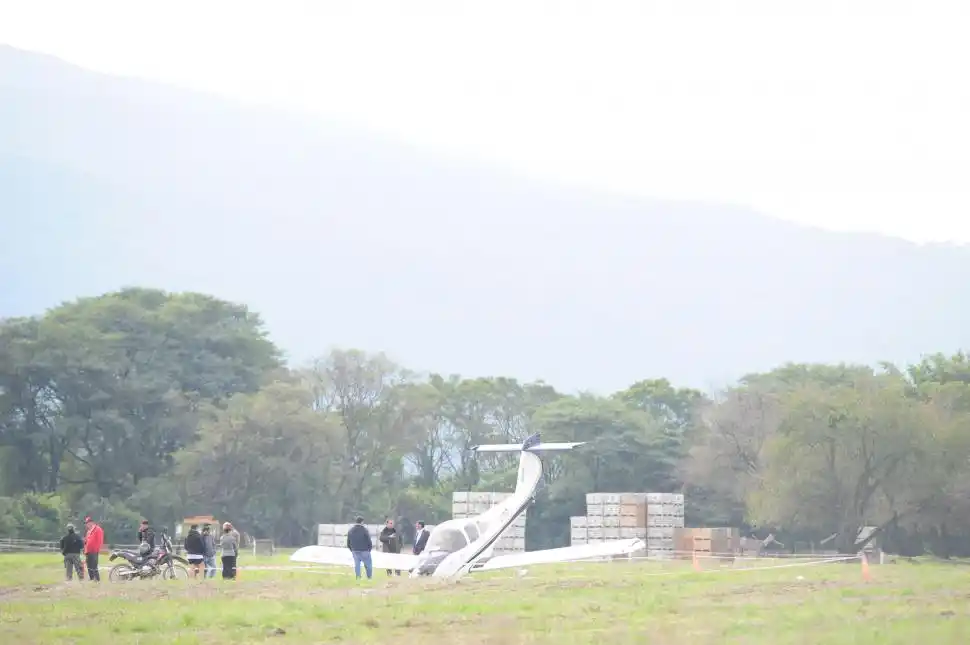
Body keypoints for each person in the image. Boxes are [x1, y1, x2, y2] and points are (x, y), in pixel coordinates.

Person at [83, 516, 104, 582]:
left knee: (94, 565)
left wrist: (97, 548)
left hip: (94, 550)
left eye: (87, 523)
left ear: (91, 522)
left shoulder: (97, 529)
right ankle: (91, 577)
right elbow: (86, 540)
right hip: (88, 551)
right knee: (89, 565)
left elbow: (100, 540)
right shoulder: (88, 531)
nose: (86, 524)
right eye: (86, 523)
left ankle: (97, 579)